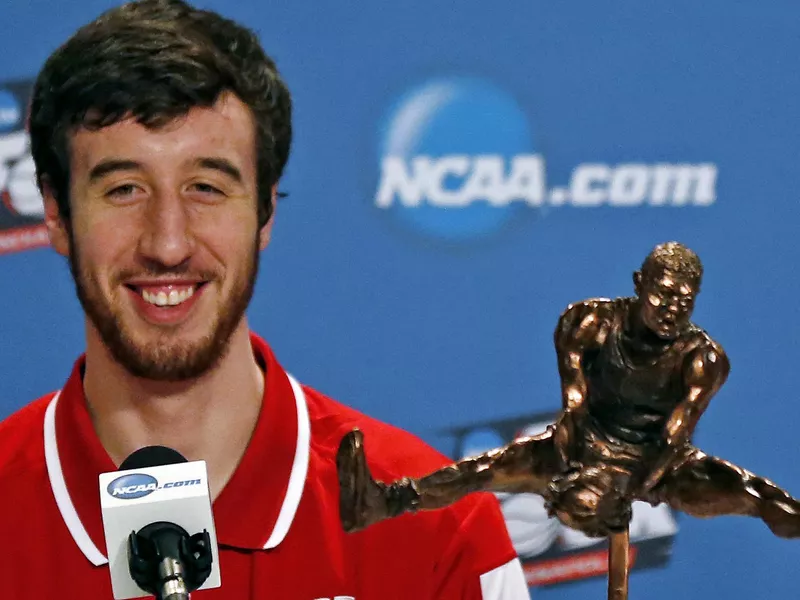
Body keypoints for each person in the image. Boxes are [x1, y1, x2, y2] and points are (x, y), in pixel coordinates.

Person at [0, 1, 530, 598]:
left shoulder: (437, 529)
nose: (168, 243)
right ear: (55, 212)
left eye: (206, 187)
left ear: (266, 211)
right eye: (124, 189)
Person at [339, 242, 800, 541]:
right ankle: (380, 503)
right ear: (639, 285)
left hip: (658, 465)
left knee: (758, 495)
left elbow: (672, 439)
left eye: (684, 303)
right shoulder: (590, 324)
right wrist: (578, 468)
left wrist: (627, 490)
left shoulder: (704, 360)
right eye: (662, 296)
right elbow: (574, 406)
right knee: (482, 468)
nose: (670, 311)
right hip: (580, 444)